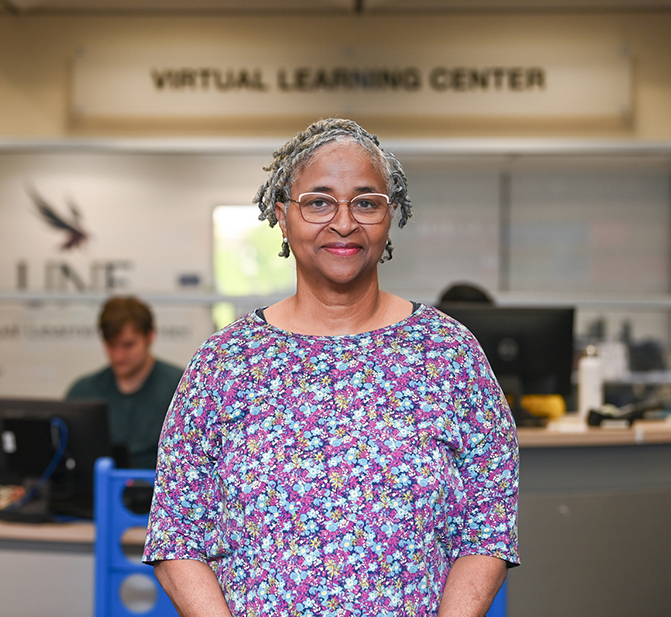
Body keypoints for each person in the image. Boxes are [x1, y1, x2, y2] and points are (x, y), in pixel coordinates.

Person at [143, 118, 519, 615]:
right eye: (318, 201)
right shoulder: (224, 363)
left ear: (390, 216)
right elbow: (177, 533)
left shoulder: (448, 354)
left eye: (365, 202)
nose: (343, 223)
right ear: (283, 215)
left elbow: (488, 521)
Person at [65, 296, 184, 469]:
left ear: (150, 336)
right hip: (94, 493)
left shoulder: (181, 389)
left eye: (128, 345)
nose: (119, 355)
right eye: (111, 345)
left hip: (159, 493)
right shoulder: (83, 392)